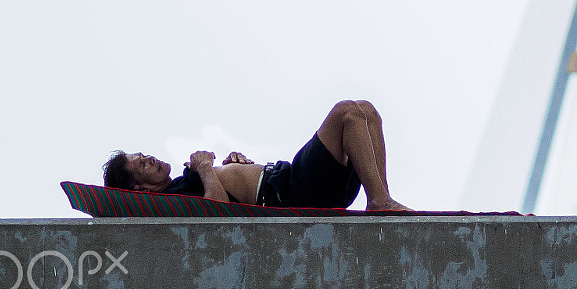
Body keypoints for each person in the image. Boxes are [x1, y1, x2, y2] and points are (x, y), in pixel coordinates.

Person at [102, 100, 407, 211]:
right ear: (139, 189)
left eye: (145, 155)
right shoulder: (173, 198)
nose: (152, 159)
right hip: (290, 192)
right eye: (142, 164)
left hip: (286, 179)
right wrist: (206, 167)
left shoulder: (181, 183)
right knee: (346, 113)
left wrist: (233, 169)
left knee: (366, 112)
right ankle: (378, 201)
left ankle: (381, 197)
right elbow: (216, 211)